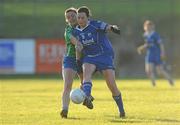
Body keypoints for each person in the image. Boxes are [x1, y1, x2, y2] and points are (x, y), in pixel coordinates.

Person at [73, 6, 125, 118]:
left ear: (88, 18)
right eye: (79, 18)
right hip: (89, 57)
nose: (80, 20)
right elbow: (77, 47)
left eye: (83, 18)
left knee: (112, 85)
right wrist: (78, 61)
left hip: (104, 55)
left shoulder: (95, 24)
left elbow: (108, 27)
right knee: (86, 73)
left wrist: (114, 28)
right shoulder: (75, 31)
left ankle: (121, 110)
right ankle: (87, 97)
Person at [60, 7, 83, 118]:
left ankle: (85, 98)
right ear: (67, 20)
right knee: (67, 85)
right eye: (68, 17)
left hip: (84, 59)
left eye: (73, 15)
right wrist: (78, 43)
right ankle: (64, 109)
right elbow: (73, 39)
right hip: (70, 59)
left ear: (77, 16)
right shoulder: (68, 30)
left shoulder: (84, 27)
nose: (71, 18)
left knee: (85, 83)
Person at [137, 20, 174, 86]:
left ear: (152, 27)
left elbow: (161, 44)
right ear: (144, 27)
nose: (148, 28)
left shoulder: (155, 35)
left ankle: (170, 79)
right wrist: (142, 48)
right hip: (149, 54)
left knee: (160, 71)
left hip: (156, 54)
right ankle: (153, 84)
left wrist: (162, 53)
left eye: (149, 26)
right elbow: (147, 44)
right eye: (146, 26)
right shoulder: (145, 35)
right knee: (148, 70)